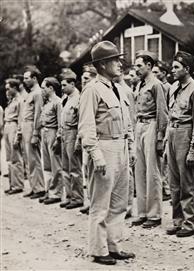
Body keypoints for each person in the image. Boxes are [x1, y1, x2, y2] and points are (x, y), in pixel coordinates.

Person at [78, 41, 135, 265]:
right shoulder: (92, 89)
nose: (119, 64)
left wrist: (130, 147)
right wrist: (95, 154)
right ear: (102, 65)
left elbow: (127, 121)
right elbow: (87, 126)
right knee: (100, 203)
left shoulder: (118, 88)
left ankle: (114, 246)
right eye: (114, 60)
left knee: (120, 202)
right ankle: (99, 250)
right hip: (104, 147)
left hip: (119, 147)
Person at [166, 51, 194, 237]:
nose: (172, 70)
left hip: (185, 133)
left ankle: (191, 223)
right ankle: (178, 221)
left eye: (176, 67)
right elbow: (170, 114)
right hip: (173, 132)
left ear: (187, 69)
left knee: (187, 182)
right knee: (174, 182)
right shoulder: (174, 87)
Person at [131, 50, 168, 229]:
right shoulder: (139, 85)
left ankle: (154, 214)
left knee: (152, 172)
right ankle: (142, 212)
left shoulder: (156, 85)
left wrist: (161, 136)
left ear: (149, 66)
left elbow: (162, 111)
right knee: (140, 169)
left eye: (139, 65)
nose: (136, 69)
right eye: (135, 65)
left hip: (152, 125)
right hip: (140, 125)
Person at [58, 70, 84, 209]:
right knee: (65, 167)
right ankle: (68, 196)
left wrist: (78, 140)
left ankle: (78, 197)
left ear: (72, 84)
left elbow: (80, 121)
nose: (62, 88)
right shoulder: (65, 99)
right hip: (64, 133)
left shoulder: (78, 99)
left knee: (74, 168)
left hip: (73, 134)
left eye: (64, 85)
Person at [113, 69, 136, 219]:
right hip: (115, 135)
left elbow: (131, 117)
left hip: (125, 135)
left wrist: (130, 142)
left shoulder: (126, 91)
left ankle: (128, 207)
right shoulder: (112, 89)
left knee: (127, 172)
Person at [21, 65, 45, 199]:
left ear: (34, 78)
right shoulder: (31, 93)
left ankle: (40, 187)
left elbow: (38, 114)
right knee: (28, 158)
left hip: (31, 126)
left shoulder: (38, 93)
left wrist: (36, 132)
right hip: (26, 126)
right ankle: (33, 186)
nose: (25, 81)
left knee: (34, 158)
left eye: (27, 78)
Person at [39, 77, 63, 205]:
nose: (42, 90)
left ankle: (56, 193)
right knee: (47, 165)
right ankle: (48, 190)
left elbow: (60, 123)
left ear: (51, 88)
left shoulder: (57, 102)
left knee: (56, 164)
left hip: (53, 132)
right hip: (45, 131)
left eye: (43, 88)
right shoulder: (47, 102)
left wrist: (58, 139)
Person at [152, 60, 172, 201]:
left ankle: (167, 189)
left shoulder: (167, 87)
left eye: (156, 73)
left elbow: (166, 109)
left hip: (168, 124)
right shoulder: (156, 86)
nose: (154, 75)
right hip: (160, 123)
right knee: (160, 160)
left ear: (164, 74)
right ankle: (164, 188)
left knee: (165, 160)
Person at [79, 64, 97, 215]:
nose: (83, 81)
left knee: (94, 171)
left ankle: (95, 203)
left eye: (86, 78)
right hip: (85, 137)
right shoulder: (83, 93)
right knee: (86, 169)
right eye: (82, 78)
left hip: (95, 138)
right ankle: (90, 200)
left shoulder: (93, 91)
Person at [3, 79, 24, 194]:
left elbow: (21, 119)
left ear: (14, 88)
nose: (7, 91)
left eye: (8, 88)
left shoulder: (20, 101)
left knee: (16, 157)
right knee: (10, 158)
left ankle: (18, 185)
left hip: (14, 126)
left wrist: (18, 134)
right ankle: (12, 184)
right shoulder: (11, 101)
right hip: (7, 126)